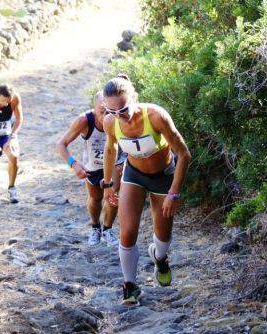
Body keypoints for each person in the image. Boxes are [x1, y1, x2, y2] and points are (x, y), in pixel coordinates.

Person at [102, 74, 191, 306]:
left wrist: (173, 193)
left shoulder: (156, 116)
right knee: (127, 232)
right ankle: (130, 286)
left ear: (135, 98)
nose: (119, 116)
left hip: (163, 177)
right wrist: (108, 184)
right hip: (134, 175)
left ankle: (160, 258)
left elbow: (184, 154)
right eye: (112, 112)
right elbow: (110, 150)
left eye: (123, 109)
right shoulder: (111, 122)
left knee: (162, 236)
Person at [57, 91, 126, 246]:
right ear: (94, 109)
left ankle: (107, 229)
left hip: (114, 165)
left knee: (113, 197)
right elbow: (61, 145)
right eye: (102, 112)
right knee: (95, 199)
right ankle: (95, 227)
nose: (106, 117)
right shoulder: (84, 120)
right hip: (93, 167)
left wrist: (122, 163)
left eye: (109, 111)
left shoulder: (119, 118)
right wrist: (73, 164)